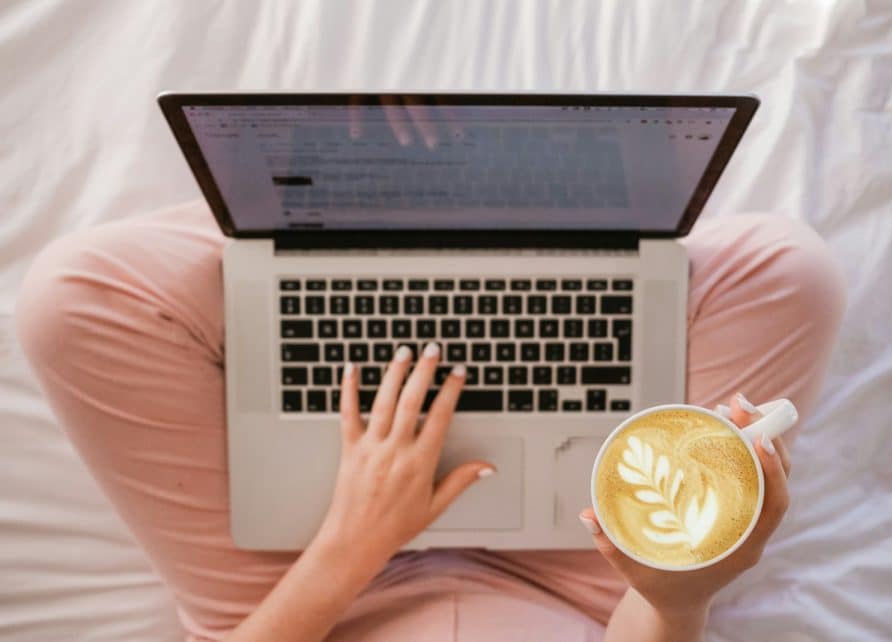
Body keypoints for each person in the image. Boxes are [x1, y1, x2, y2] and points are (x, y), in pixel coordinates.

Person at [14, 199, 845, 641]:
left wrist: (351, 543)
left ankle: (342, 213)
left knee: (74, 296)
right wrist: (675, 596)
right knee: (787, 270)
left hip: (303, 596)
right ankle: (518, 218)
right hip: (591, 600)